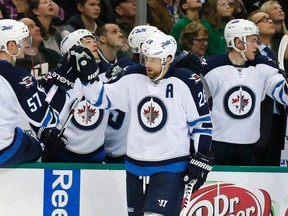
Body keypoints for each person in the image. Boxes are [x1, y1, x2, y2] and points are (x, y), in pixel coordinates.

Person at [66, 30, 213, 215]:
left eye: (154, 59)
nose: (148, 64)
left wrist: (201, 157)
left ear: (168, 58)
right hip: (135, 167)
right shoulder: (133, 75)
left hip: (171, 167)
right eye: (146, 58)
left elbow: (202, 124)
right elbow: (99, 99)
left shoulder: (187, 81)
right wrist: (89, 80)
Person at [202, 19, 288, 165]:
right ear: (237, 42)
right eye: (253, 41)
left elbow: (283, 95)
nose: (257, 46)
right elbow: (194, 103)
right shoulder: (210, 67)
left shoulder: (264, 65)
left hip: (249, 147)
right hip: (216, 145)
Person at [0, 19, 66, 166]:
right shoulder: (16, 75)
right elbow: (44, 118)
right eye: (23, 40)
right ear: (11, 45)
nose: (26, 45)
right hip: (3, 151)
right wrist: (60, 88)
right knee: (41, 144)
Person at [42, 29, 112, 163]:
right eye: (87, 41)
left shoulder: (106, 74)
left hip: (97, 154)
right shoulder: (55, 78)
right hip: (62, 153)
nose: (94, 44)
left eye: (93, 40)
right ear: (72, 48)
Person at [248, 10, 286, 166]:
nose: (270, 21)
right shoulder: (248, 57)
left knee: (272, 171)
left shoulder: (278, 53)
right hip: (258, 120)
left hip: (278, 121)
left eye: (270, 18)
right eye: (264, 19)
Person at [16, 18, 61, 83]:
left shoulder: (52, 55)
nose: (38, 28)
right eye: (31, 27)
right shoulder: (16, 61)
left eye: (36, 25)